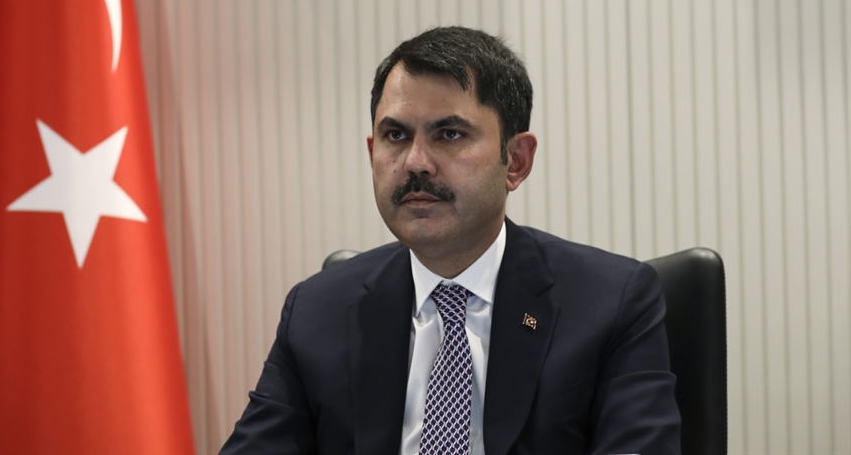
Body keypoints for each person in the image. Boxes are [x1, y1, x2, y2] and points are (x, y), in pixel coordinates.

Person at [221, 26, 681, 454]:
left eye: (449, 134)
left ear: (516, 160)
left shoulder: (610, 301)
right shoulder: (316, 312)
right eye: (395, 135)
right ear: (372, 153)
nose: (415, 162)